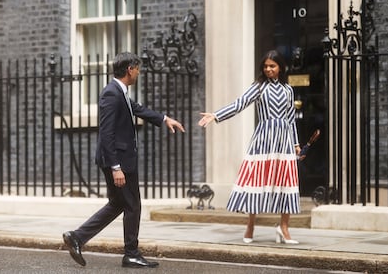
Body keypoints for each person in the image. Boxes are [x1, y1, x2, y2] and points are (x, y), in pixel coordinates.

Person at [63, 52, 185, 268]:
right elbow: (106, 132)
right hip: (118, 161)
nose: (139, 72)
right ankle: (131, 253)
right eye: (137, 68)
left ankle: (78, 237)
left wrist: (164, 119)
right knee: (133, 205)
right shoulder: (111, 93)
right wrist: (116, 167)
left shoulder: (119, 92)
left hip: (119, 159)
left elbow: (137, 109)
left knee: (119, 203)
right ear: (130, 69)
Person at [198, 50, 301, 244]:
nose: (269, 69)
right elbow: (240, 104)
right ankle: (250, 225)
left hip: (284, 142)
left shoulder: (288, 90)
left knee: (286, 183)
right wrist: (216, 115)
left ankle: (284, 227)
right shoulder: (259, 87)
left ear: (280, 67)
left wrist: (295, 144)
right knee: (256, 181)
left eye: (273, 66)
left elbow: (291, 120)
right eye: (266, 66)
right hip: (262, 141)